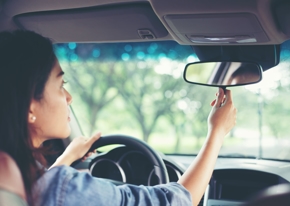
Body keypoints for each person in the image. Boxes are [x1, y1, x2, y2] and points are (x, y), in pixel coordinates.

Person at [0, 30, 237, 206]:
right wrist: (216, 132)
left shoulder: (15, 178)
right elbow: (174, 201)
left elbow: (41, 187)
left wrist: (68, 156)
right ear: (30, 107)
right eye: (61, 85)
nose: (69, 97)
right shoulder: (68, 189)